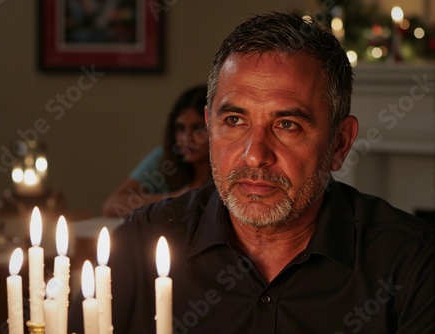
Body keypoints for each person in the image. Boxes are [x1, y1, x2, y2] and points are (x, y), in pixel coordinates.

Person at [70, 11, 434, 334]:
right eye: (234, 120)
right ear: (210, 126)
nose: (255, 156)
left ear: (339, 143)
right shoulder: (141, 244)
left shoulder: (411, 265)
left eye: (287, 125)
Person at [102, 85, 212, 218]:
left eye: (198, 128)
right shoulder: (164, 158)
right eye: (181, 128)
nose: (186, 138)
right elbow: (113, 206)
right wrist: (175, 200)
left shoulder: (229, 162)